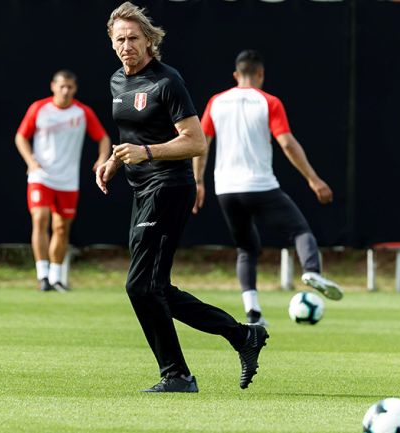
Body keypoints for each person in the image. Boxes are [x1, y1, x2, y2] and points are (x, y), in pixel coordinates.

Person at [96, 2, 268, 393]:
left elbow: (196, 141)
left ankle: (177, 375)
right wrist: (114, 160)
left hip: (169, 188)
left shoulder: (166, 81)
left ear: (149, 40)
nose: (127, 45)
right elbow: (131, 135)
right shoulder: (116, 82)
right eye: (120, 39)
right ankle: (242, 336)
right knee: (154, 287)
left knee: (140, 286)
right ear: (111, 41)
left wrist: (148, 153)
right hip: (141, 189)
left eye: (134, 38)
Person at [195, 49, 343, 326]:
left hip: (225, 189)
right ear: (261, 74)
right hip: (260, 185)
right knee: (300, 230)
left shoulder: (216, 101)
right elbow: (287, 142)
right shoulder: (269, 102)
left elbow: (201, 144)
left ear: (237, 75)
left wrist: (198, 181)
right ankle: (311, 270)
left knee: (246, 249)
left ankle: (253, 313)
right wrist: (313, 179)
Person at [15, 70, 111, 293]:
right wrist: (31, 161)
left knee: (61, 227)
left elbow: (103, 138)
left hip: (68, 180)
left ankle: (56, 277)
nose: (65, 91)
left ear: (75, 89)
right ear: (53, 86)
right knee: (40, 218)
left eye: (70, 87)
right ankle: (42, 276)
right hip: (41, 176)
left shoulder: (83, 112)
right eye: (62, 86)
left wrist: (101, 159)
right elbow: (21, 136)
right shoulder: (39, 108)